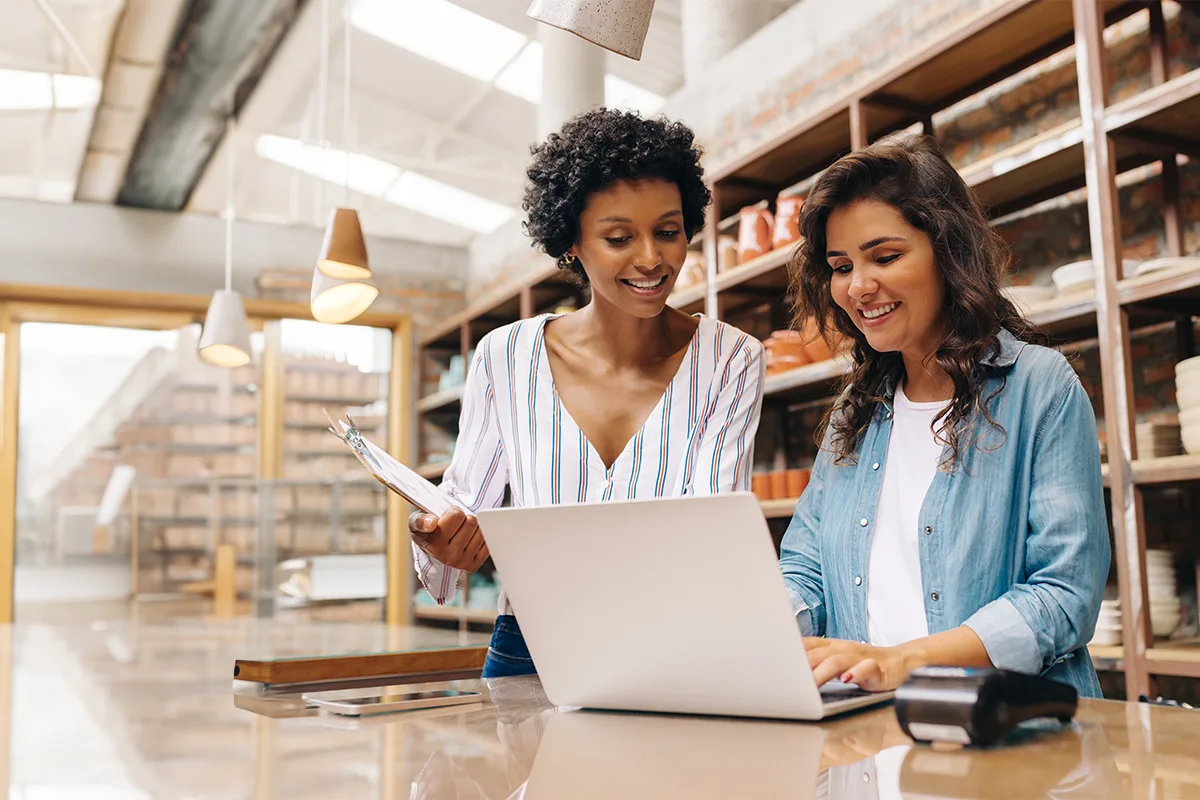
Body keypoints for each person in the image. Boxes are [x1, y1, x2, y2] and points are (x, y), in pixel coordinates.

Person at [409, 108, 765, 678]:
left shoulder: (729, 359)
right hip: (531, 644)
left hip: (674, 643)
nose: (651, 258)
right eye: (619, 237)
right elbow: (464, 504)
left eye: (669, 232)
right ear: (572, 242)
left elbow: (714, 530)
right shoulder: (506, 358)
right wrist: (439, 536)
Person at [779, 134, 1109, 697]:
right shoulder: (851, 416)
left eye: (885, 257)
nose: (858, 286)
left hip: (1009, 741)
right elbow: (806, 570)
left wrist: (901, 662)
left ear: (948, 252)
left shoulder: (1040, 388)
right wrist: (749, 629)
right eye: (840, 265)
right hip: (873, 735)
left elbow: (1062, 596)